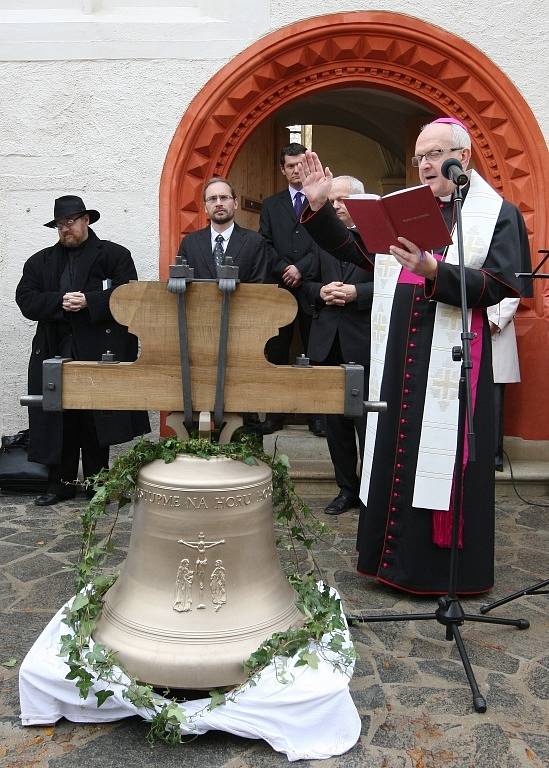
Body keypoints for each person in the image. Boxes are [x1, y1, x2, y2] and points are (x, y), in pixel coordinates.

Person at [298, 118, 532, 595]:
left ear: (462, 158)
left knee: (443, 464)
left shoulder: (497, 213)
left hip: (451, 360)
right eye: (419, 156)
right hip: (399, 354)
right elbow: (359, 252)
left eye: (434, 154)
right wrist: (320, 206)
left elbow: (502, 286)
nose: (424, 163)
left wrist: (435, 271)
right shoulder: (408, 210)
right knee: (393, 453)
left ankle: (434, 572)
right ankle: (388, 564)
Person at [16, 195, 150, 506]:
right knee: (57, 415)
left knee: (94, 417)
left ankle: (97, 483)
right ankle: (60, 484)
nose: (66, 229)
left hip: (98, 346)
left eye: (71, 222)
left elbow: (128, 293)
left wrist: (91, 301)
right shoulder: (41, 261)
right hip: (55, 347)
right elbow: (26, 298)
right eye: (60, 224)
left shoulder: (115, 255)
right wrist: (59, 301)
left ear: (86, 220)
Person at [301, 176, 373, 515]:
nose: (338, 206)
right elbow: (305, 284)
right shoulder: (320, 240)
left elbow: (396, 285)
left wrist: (358, 294)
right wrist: (320, 292)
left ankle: (372, 493)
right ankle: (346, 489)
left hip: (366, 341)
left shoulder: (378, 237)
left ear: (360, 202)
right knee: (336, 425)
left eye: (345, 200)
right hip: (327, 343)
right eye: (333, 201)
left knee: (368, 423)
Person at [259, 142, 326, 437]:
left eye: (301, 164)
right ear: (282, 169)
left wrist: (302, 269)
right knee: (277, 352)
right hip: (280, 288)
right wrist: (285, 268)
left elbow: (326, 241)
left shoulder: (319, 202)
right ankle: (275, 413)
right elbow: (265, 244)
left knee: (315, 353)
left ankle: (317, 416)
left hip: (313, 287)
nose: (296, 170)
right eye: (290, 166)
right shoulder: (272, 205)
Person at [176, 177, 269, 283]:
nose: (218, 203)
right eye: (212, 199)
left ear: (235, 203)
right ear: (205, 207)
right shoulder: (189, 243)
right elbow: (180, 285)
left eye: (224, 197)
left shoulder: (255, 242)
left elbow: (260, 289)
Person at [488, 298, 521, 471]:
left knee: (494, 403)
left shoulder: (510, 269)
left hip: (495, 334)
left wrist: (494, 323)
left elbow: (512, 295)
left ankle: (494, 456)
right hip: (467, 327)